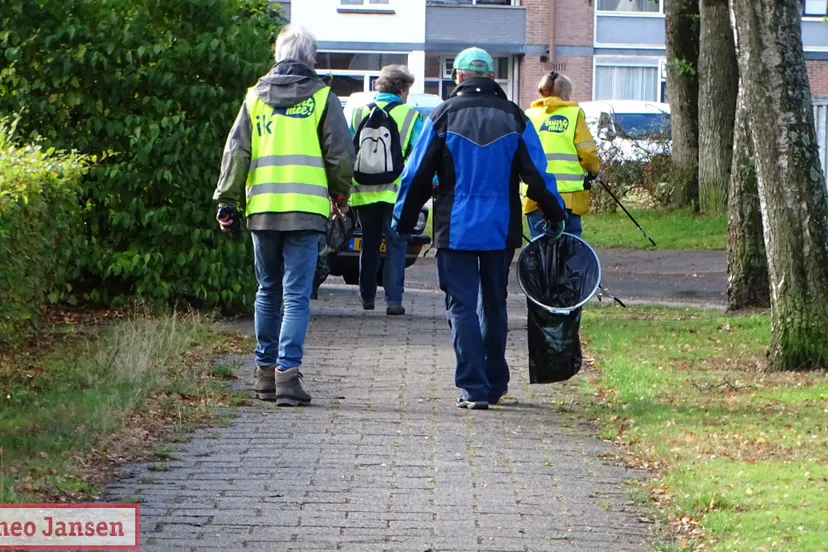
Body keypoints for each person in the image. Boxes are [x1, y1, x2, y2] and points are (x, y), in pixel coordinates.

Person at [392, 47, 566, 410]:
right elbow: (537, 174)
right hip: (499, 229)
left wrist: (402, 222)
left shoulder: (443, 115)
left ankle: (473, 387)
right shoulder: (515, 117)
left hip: (455, 229)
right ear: (491, 77)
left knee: (462, 306)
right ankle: (496, 383)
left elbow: (416, 175)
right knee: (495, 303)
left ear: (458, 77)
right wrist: (555, 213)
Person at [213, 24, 353, 405]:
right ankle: (287, 377)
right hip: (305, 211)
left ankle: (264, 374)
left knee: (267, 291)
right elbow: (341, 154)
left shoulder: (254, 98)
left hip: (263, 209)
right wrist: (340, 195)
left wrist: (227, 201)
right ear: (312, 58)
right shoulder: (323, 98)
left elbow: (236, 152)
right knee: (295, 296)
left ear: (277, 55)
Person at [349, 65, 424, 315]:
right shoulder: (410, 116)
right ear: (401, 90)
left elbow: (347, 149)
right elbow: (419, 154)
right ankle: (393, 301)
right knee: (396, 244)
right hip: (396, 192)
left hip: (363, 190)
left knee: (369, 243)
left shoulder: (358, 113)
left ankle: (367, 296)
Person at [523, 72, 600, 239]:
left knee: (539, 243)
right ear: (566, 92)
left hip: (535, 194)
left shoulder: (529, 115)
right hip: (568, 194)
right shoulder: (574, 114)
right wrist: (593, 170)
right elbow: (587, 152)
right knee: (570, 243)